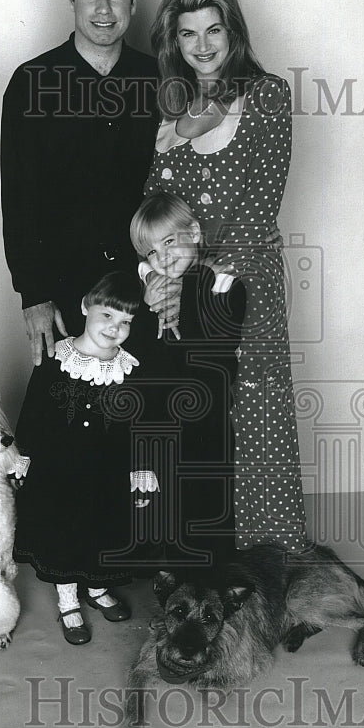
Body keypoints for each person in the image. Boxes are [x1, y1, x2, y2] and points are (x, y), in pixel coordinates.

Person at [141, 0, 310, 553]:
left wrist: (212, 277)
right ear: (175, 42)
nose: (204, 46)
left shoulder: (267, 97)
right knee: (196, 419)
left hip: (247, 282)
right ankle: (204, 555)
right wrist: (157, 273)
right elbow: (155, 202)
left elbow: (264, 201)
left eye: (214, 30)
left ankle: (271, 555)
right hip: (184, 286)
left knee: (256, 412)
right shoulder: (174, 109)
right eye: (189, 34)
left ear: (233, 31)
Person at [0, 0, 159, 366]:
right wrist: (34, 296)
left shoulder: (160, 79)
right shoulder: (32, 82)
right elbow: (18, 198)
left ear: (133, 0)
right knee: (69, 422)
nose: (103, 9)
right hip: (66, 291)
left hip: (149, 286)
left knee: (147, 420)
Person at [13, 272, 159, 645]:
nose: (115, 328)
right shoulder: (56, 358)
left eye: (126, 321)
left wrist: (141, 465)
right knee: (64, 532)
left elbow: (139, 422)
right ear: (85, 307)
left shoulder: (129, 367)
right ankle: (67, 601)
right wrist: (23, 457)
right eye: (107, 315)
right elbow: (33, 413)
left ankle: (96, 589)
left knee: (103, 530)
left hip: (107, 472)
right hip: (59, 471)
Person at [130, 192, 245, 565]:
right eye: (151, 253)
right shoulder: (154, 292)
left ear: (194, 232)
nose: (162, 257)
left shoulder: (221, 284)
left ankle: (213, 572)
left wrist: (176, 292)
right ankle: (170, 568)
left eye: (168, 242)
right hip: (164, 416)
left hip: (207, 413)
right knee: (166, 496)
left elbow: (218, 341)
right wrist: (150, 291)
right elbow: (143, 359)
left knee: (209, 493)